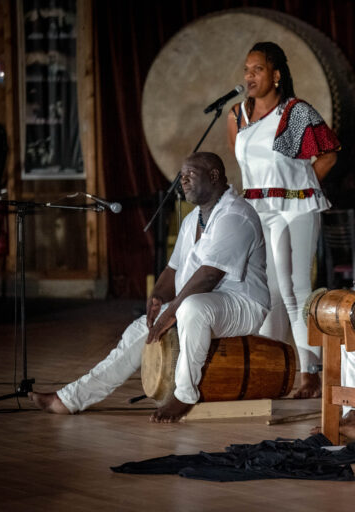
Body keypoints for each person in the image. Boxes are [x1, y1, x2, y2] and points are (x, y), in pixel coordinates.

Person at [29, 152, 270, 422]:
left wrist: (171, 312)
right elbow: (173, 269)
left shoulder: (237, 215)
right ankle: (71, 399)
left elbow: (208, 276)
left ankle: (185, 395)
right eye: (181, 176)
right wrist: (157, 297)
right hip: (203, 303)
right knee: (140, 329)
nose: (183, 181)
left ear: (214, 176)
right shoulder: (193, 220)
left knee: (192, 308)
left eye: (190, 174)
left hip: (243, 305)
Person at [227, 41, 341, 399]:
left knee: (296, 289)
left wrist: (302, 187)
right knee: (271, 291)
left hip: (294, 209)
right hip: (259, 211)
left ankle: (311, 372)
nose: (250, 76)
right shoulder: (237, 116)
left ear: (276, 75)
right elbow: (243, 166)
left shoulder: (294, 112)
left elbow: (329, 154)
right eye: (247, 69)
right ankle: (274, 369)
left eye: (258, 69)